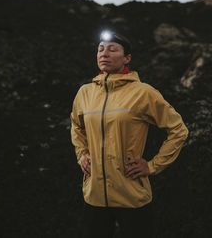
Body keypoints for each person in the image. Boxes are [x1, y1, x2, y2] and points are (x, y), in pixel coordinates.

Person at [70, 30, 189, 238]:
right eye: (100, 49)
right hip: (94, 196)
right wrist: (82, 154)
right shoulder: (85, 93)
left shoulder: (143, 93)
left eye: (112, 49)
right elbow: (76, 125)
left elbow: (178, 130)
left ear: (127, 58)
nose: (104, 53)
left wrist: (152, 165)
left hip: (131, 196)